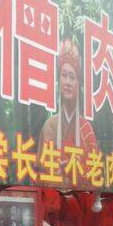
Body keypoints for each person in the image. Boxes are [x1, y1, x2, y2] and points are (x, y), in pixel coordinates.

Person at [38, 38, 98, 187]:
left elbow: (95, 176)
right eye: (64, 75)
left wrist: (76, 173)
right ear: (59, 80)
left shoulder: (86, 129)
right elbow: (39, 174)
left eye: (72, 77)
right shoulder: (49, 126)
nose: (67, 82)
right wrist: (54, 176)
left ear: (78, 84)